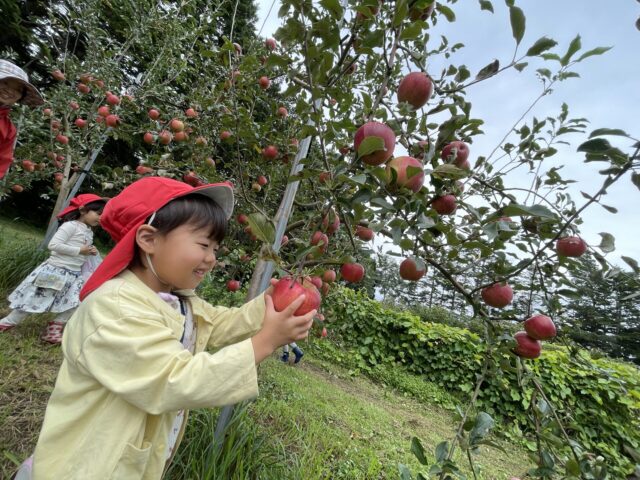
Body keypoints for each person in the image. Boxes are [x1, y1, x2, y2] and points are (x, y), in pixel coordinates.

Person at [20, 176, 315, 480]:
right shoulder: (115, 307)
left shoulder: (177, 299)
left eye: (215, 247)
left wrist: (270, 304)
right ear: (148, 239)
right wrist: (265, 342)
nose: (212, 258)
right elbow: (175, 380)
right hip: (86, 466)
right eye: (203, 244)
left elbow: (217, 325)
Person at [0, 194, 107, 344]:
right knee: (35, 299)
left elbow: (81, 248)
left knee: (76, 300)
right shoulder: (70, 226)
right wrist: (79, 250)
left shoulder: (88, 231)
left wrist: (90, 251)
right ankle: (8, 322)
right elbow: (54, 245)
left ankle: (54, 328)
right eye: (98, 213)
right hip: (55, 271)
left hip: (73, 274)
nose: (101, 218)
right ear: (83, 210)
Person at [0, 59, 44, 179]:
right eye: (6, 83)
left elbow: (1, 163)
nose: (10, 91)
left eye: (18, 90)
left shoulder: (8, 129)